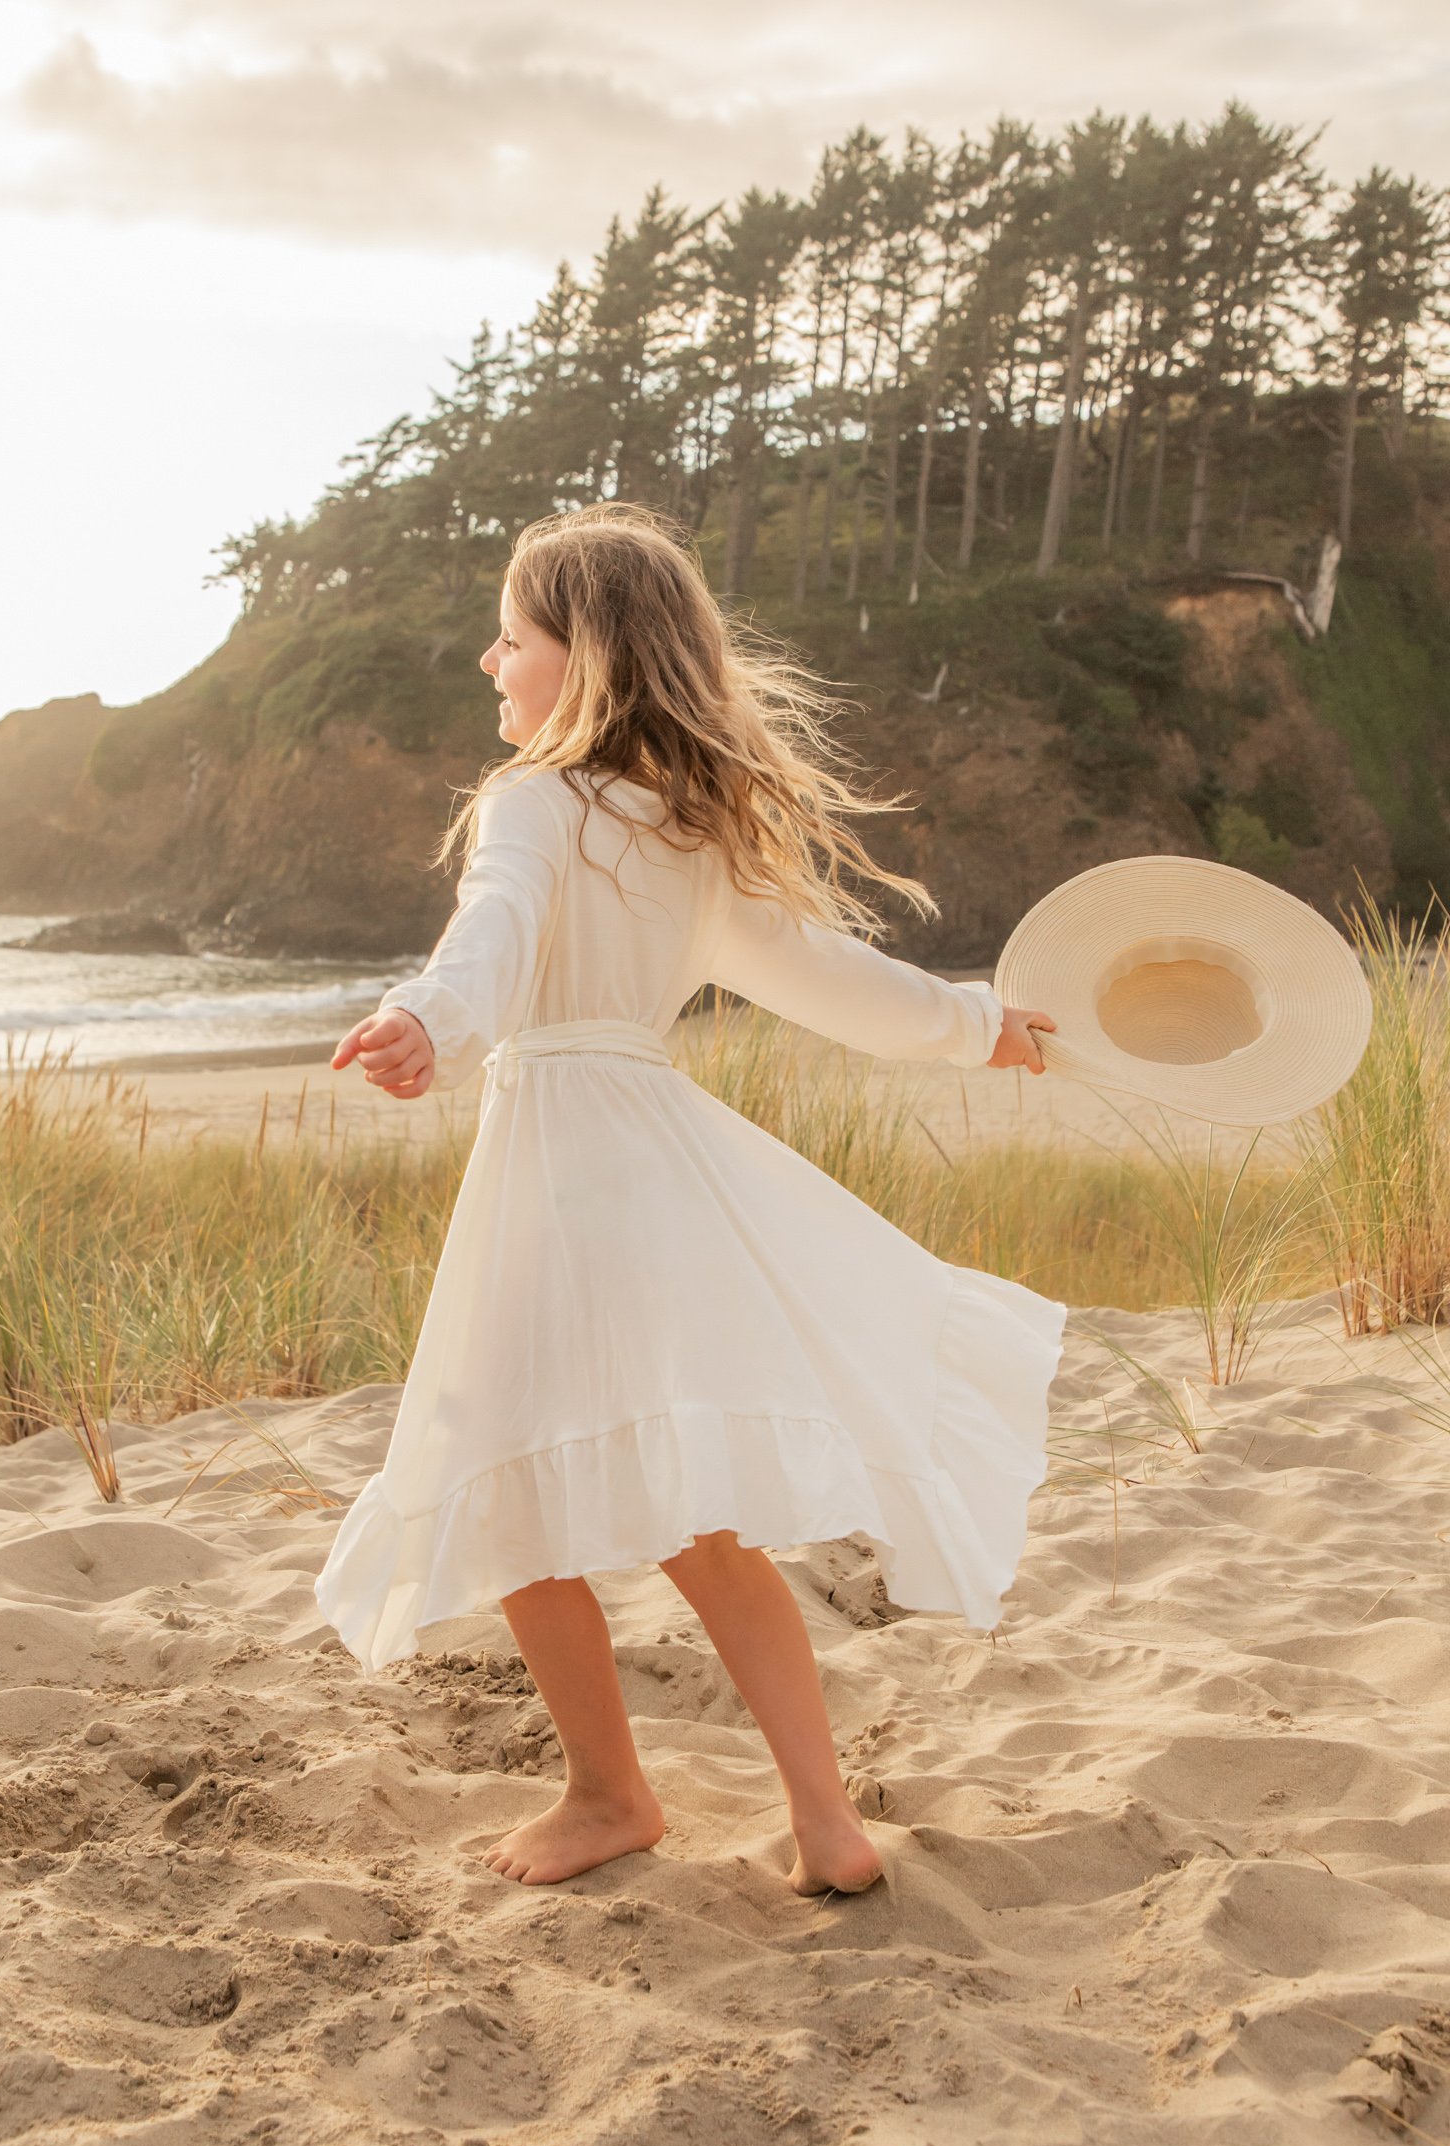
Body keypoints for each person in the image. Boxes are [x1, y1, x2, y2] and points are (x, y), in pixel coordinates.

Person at [314, 505, 1065, 1898]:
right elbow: (834, 980)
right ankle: (825, 1822)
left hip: (558, 1170)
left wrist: (430, 1019)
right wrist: (977, 1026)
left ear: (582, 656)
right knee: (697, 1524)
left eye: (515, 636)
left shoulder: (531, 803)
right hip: (660, 1169)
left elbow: (495, 930)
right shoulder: (688, 830)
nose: (492, 659)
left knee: (511, 1485)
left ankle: (609, 1793)